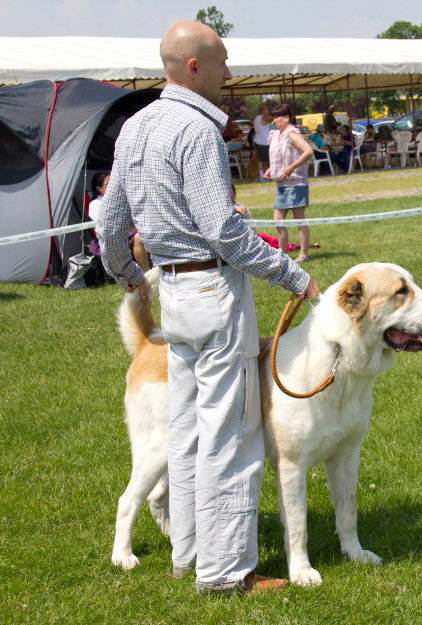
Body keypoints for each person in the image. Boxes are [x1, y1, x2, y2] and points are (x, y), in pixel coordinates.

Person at [97, 20, 319, 596]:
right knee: (230, 434)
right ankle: (226, 574)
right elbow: (222, 231)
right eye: (221, 62)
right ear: (192, 67)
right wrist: (293, 275)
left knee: (187, 433)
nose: (229, 73)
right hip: (215, 297)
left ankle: (187, 556)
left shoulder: (136, 125)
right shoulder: (197, 129)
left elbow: (106, 218)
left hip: (173, 296)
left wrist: (128, 277)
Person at [265, 101, 314, 263]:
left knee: (299, 218)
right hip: (281, 185)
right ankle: (282, 253)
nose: (275, 120)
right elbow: (275, 156)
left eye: (278, 117)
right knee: (278, 220)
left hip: (296, 183)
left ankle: (304, 254)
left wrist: (292, 167)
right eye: (274, 117)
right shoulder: (275, 135)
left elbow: (308, 152)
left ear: (287, 117)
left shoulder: (293, 134)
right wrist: (270, 169)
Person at [90, 171, 149, 271]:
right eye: (107, 184)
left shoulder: (118, 200)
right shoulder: (95, 204)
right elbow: (106, 225)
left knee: (147, 232)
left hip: (125, 232)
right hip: (110, 237)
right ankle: (146, 272)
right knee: (138, 238)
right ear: (98, 188)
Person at [251, 103, 273, 182]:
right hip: (265, 142)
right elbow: (272, 119)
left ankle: (261, 176)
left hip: (257, 141)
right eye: (267, 110)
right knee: (269, 160)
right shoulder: (264, 118)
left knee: (260, 160)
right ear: (263, 111)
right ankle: (269, 175)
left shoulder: (256, 119)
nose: (268, 112)